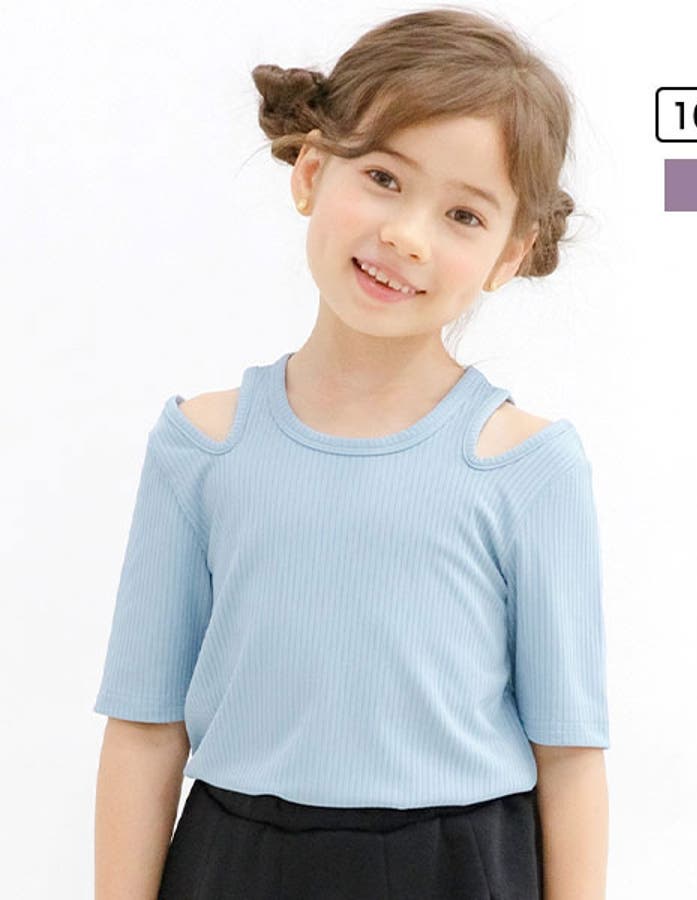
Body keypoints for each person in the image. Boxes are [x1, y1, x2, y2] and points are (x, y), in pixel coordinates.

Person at [93, 7, 610, 898]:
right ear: (310, 171)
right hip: (237, 862)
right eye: (382, 177)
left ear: (510, 253)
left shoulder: (528, 467)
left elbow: (569, 756)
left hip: (459, 867)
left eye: (463, 213)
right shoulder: (202, 447)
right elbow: (144, 729)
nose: (408, 234)